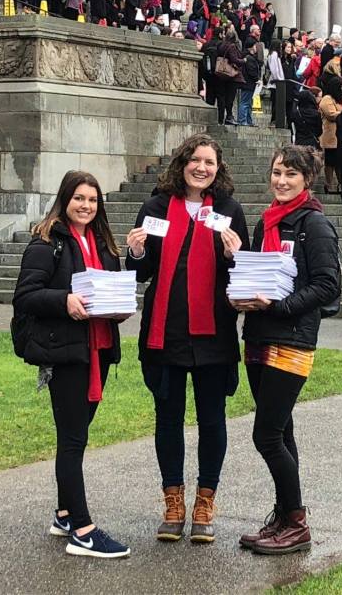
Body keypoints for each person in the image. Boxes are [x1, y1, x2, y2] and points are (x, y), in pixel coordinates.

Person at [125, 135, 249, 543]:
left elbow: (243, 276)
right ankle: (173, 500)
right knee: (169, 419)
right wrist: (138, 252)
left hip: (213, 333)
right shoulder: (156, 207)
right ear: (182, 163)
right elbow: (141, 273)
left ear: (218, 168)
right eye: (195, 160)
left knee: (212, 419)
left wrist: (235, 256)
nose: (202, 168)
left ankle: (205, 501)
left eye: (209, 162)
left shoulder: (229, 211)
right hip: (167, 334)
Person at [12, 170, 131, 559]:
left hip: (97, 347)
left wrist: (118, 310)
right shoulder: (47, 242)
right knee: (72, 440)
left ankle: (64, 514)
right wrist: (63, 300)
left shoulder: (102, 241)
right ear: (65, 199)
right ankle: (82, 529)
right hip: (64, 353)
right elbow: (26, 295)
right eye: (79, 198)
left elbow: (111, 285)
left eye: (92, 200)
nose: (86, 205)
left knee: (76, 435)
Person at [229, 145, 341, 555]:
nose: (281, 180)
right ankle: (283, 515)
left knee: (267, 435)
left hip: (291, 338)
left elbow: (328, 287)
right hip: (258, 335)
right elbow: (263, 274)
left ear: (306, 180)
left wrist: (278, 306)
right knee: (282, 431)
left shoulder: (315, 225)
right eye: (277, 172)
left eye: (291, 174)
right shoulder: (268, 222)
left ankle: (297, 522)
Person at [318, 88, 342, 195]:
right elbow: (331, 114)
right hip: (330, 137)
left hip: (339, 136)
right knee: (330, 163)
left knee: (339, 162)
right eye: (340, 86)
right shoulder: (327, 99)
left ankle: (341, 184)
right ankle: (329, 184)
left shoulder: (337, 100)